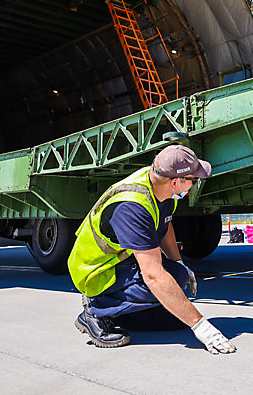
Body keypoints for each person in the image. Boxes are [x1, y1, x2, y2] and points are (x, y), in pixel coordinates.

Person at [67, 143, 237, 353]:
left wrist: (179, 264)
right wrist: (201, 326)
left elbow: (164, 226)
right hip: (96, 270)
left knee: (177, 280)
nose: (195, 184)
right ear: (176, 182)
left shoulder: (161, 186)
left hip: (123, 259)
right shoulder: (132, 207)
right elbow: (153, 276)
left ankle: (128, 312)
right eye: (193, 180)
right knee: (162, 283)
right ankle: (96, 310)